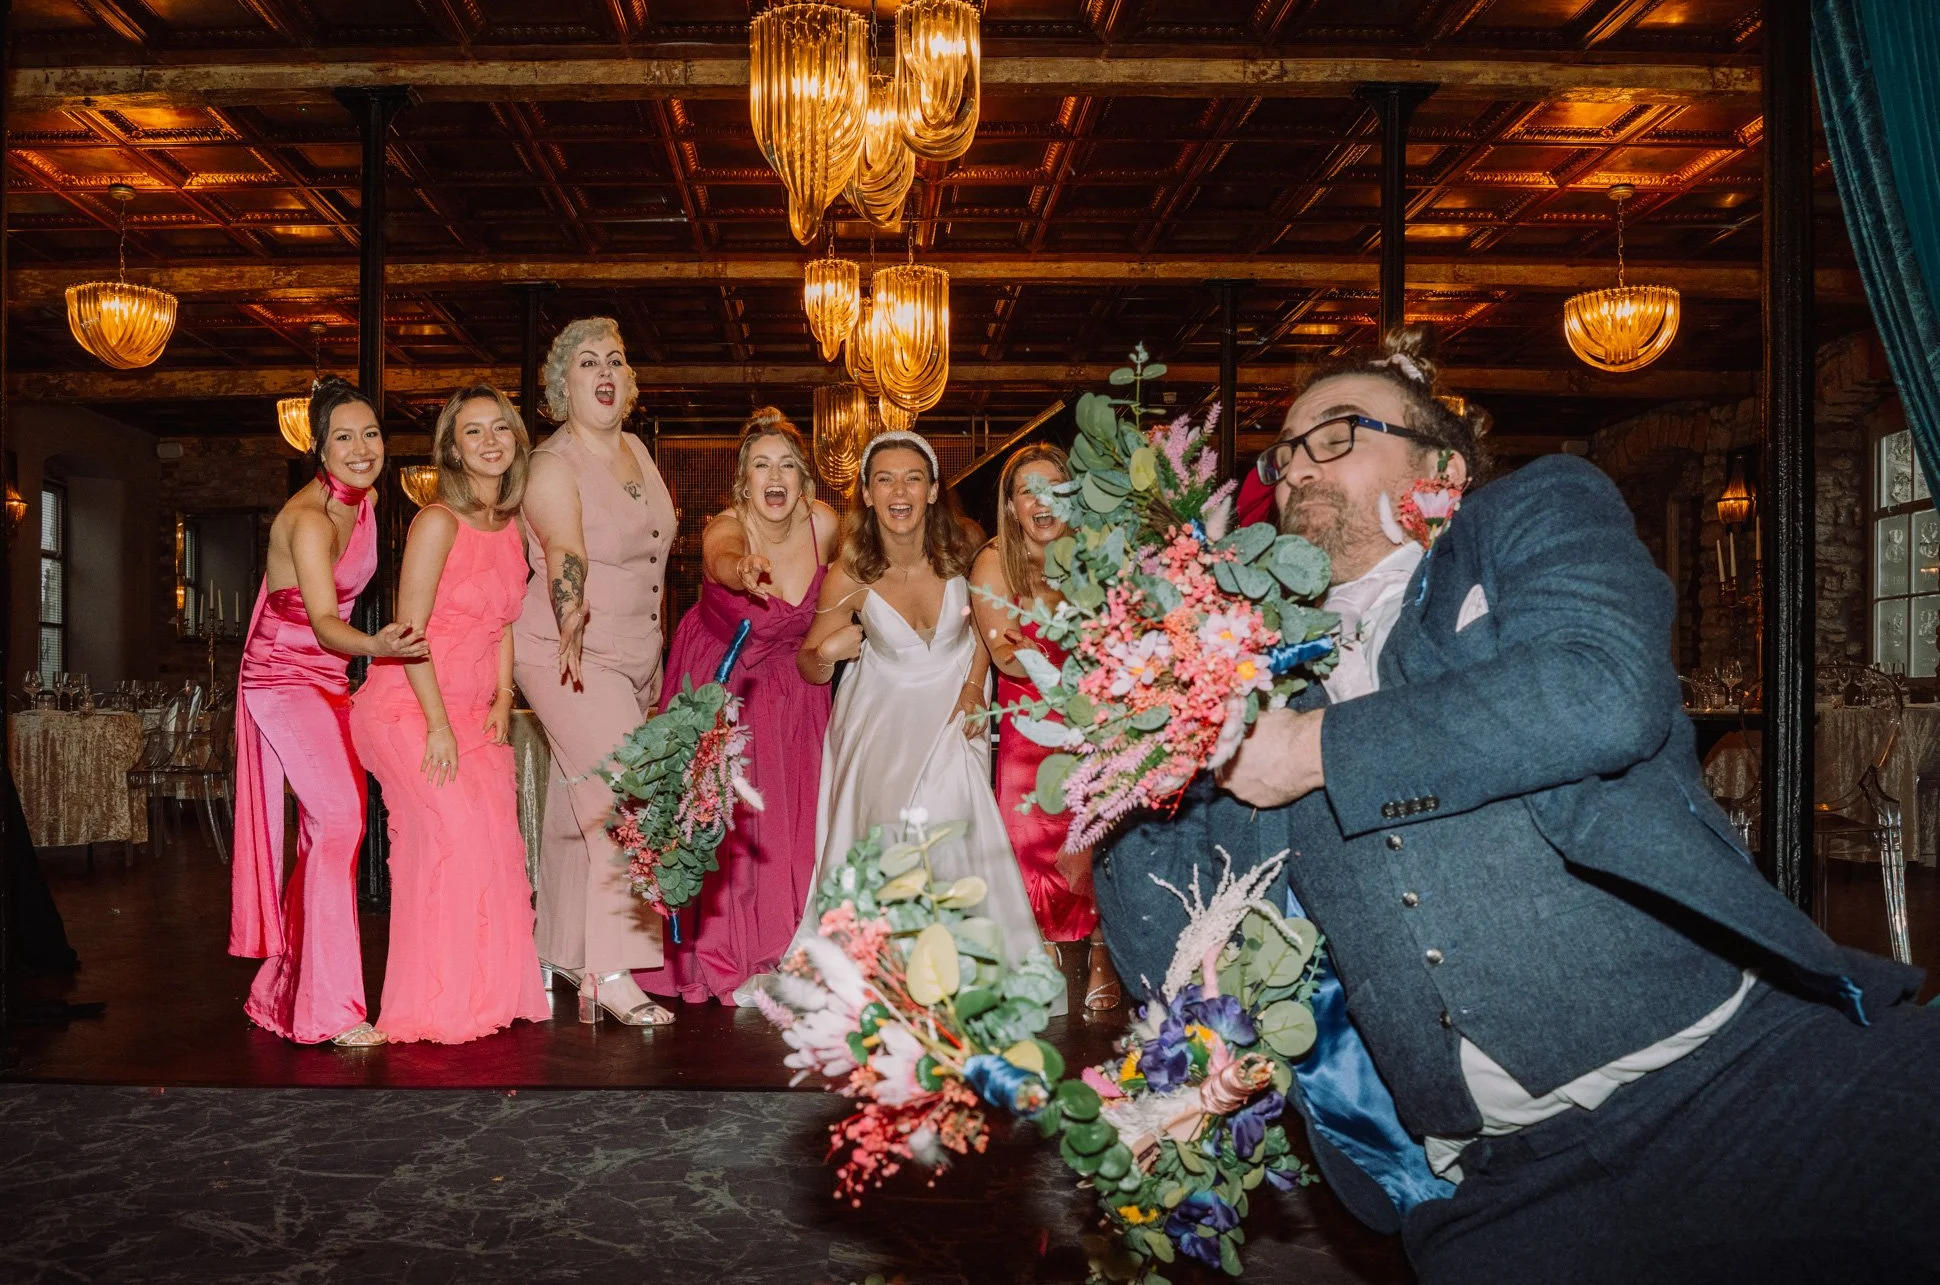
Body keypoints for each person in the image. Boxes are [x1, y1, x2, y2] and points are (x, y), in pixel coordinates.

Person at [1094, 328, 1940, 1283]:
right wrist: (1142, 711)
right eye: (1283, 450)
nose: (1296, 465)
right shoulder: (1243, 674)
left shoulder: (1523, 518)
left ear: (1441, 466)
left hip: (1749, 1077)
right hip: (1507, 1186)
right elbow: (1171, 936)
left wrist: (1319, 747)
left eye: (1336, 433)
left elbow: (1600, 688)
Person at [786, 431, 1059, 1004]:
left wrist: (971, 684)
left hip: (954, 708)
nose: (899, 490)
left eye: (912, 477)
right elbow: (809, 665)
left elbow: (988, 629)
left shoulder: (966, 553)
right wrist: (826, 653)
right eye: (884, 479)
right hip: (880, 721)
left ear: (934, 490)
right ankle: (889, 969)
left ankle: (959, 970)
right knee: (891, 830)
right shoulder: (849, 575)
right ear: (867, 492)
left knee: (948, 815)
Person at [229, 376, 428, 1047]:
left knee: (331, 828)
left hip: (328, 673)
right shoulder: (307, 519)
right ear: (319, 447)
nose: (362, 446)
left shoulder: (369, 503)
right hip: (283, 673)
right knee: (341, 819)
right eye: (344, 436)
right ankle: (329, 1010)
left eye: (371, 433)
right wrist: (376, 645)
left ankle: (282, 989)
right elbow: (321, 621)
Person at [349, 385, 552, 1044]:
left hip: (474, 708)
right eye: (474, 432)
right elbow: (409, 629)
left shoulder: (513, 525)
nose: (491, 440)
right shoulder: (436, 521)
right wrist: (437, 721)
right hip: (408, 705)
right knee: (449, 839)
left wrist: (500, 698)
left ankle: (482, 996)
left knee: (496, 849)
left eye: (500, 428)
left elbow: (504, 623)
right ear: (453, 450)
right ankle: (428, 1005)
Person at [641, 408, 839, 1006]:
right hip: (724, 682)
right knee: (730, 823)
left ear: (805, 481)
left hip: (799, 691)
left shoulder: (824, 525)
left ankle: (792, 949)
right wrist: (741, 568)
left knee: (795, 821)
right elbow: (720, 558)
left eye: (786, 465)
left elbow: (865, 572)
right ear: (742, 483)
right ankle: (726, 951)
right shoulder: (726, 528)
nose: (773, 477)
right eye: (760, 466)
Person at [513, 318, 679, 1028]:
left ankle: (558, 951)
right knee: (627, 796)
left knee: (577, 806)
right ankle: (612, 970)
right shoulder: (553, 464)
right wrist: (572, 605)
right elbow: (564, 549)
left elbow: (652, 558)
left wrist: (656, 649)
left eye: (615, 358)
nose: (605, 371)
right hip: (566, 651)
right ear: (563, 385)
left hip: (634, 656)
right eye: (587, 362)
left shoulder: (638, 450)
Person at [968, 443, 1121, 1011]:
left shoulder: (1097, 557)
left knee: (1102, 830)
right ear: (1011, 507)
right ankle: (1044, 950)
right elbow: (1006, 653)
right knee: (1030, 840)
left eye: (1054, 487)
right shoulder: (993, 562)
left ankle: (1104, 946)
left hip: (1096, 718)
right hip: (1030, 723)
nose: (1042, 501)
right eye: (1028, 490)